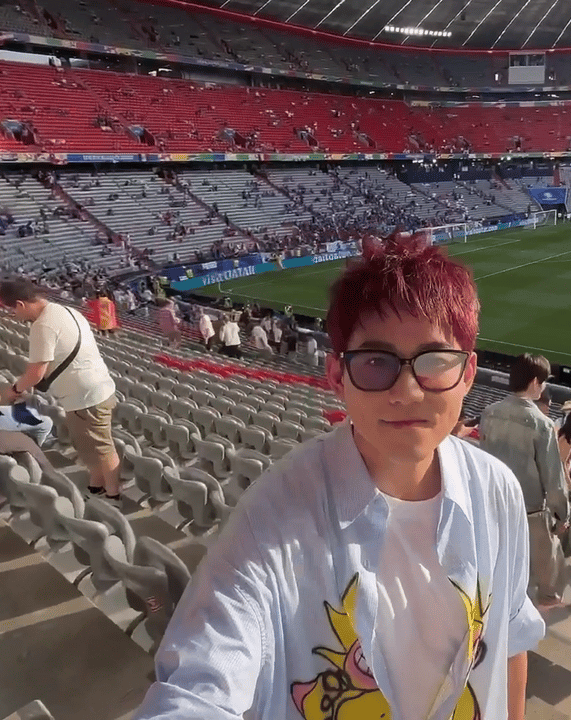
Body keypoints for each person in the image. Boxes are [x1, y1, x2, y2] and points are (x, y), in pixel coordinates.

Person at [134, 237, 544, 720]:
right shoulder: (272, 519)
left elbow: (511, 636)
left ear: (468, 373)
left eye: (434, 361)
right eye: (375, 362)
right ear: (336, 375)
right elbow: (197, 689)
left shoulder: (496, 489)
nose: (408, 391)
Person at [0, 279, 121, 502]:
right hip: (95, 387)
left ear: (20, 304)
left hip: (85, 395)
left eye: (12, 310)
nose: (14, 315)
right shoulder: (66, 311)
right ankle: (96, 485)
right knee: (88, 444)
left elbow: (36, 372)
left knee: (102, 447)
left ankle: (113, 495)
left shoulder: (43, 326)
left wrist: (14, 389)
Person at [481, 354, 569, 607]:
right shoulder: (542, 424)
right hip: (528, 510)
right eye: (543, 381)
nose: (544, 387)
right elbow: (553, 478)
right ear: (534, 382)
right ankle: (547, 596)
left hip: (492, 502)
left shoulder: (489, 412)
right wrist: (562, 515)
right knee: (548, 557)